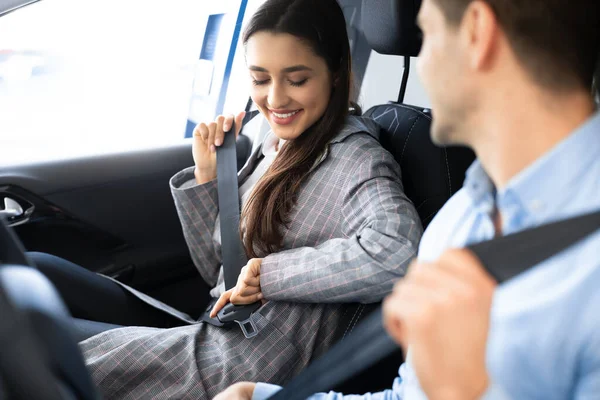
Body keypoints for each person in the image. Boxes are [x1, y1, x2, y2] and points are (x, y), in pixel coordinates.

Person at [29, 0, 422, 398]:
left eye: (297, 79)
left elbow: (400, 252)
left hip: (240, 363)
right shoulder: (275, 143)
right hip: (210, 328)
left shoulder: (356, 157)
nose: (275, 99)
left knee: (32, 353)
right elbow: (217, 275)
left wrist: (270, 275)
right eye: (260, 79)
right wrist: (209, 178)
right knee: (34, 271)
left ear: (336, 73)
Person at [217, 0, 600, 398]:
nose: (424, 64)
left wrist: (461, 389)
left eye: (428, 33)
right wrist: (257, 396)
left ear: (476, 32)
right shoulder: (462, 218)